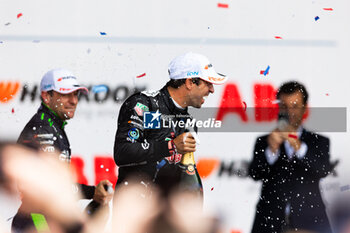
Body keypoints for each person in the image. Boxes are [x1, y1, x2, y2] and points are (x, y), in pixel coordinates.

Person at [13, 68, 114, 233]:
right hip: (37, 219)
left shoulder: (52, 126)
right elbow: (48, 186)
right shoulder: (43, 129)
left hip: (43, 218)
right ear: (47, 96)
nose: (73, 101)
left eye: (76, 95)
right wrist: (92, 192)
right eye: (65, 94)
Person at [113, 52, 227, 196]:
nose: (212, 90)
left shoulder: (189, 122)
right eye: (208, 83)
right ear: (190, 82)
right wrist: (171, 146)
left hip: (165, 211)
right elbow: (123, 152)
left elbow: (185, 173)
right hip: (135, 208)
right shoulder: (146, 105)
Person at [249, 81, 333, 233]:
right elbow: (255, 173)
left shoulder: (319, 142)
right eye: (284, 106)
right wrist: (271, 150)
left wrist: (298, 146)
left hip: (309, 222)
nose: (290, 112)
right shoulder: (264, 142)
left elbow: (322, 170)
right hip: (269, 223)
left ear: (305, 108)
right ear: (278, 107)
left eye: (295, 106)